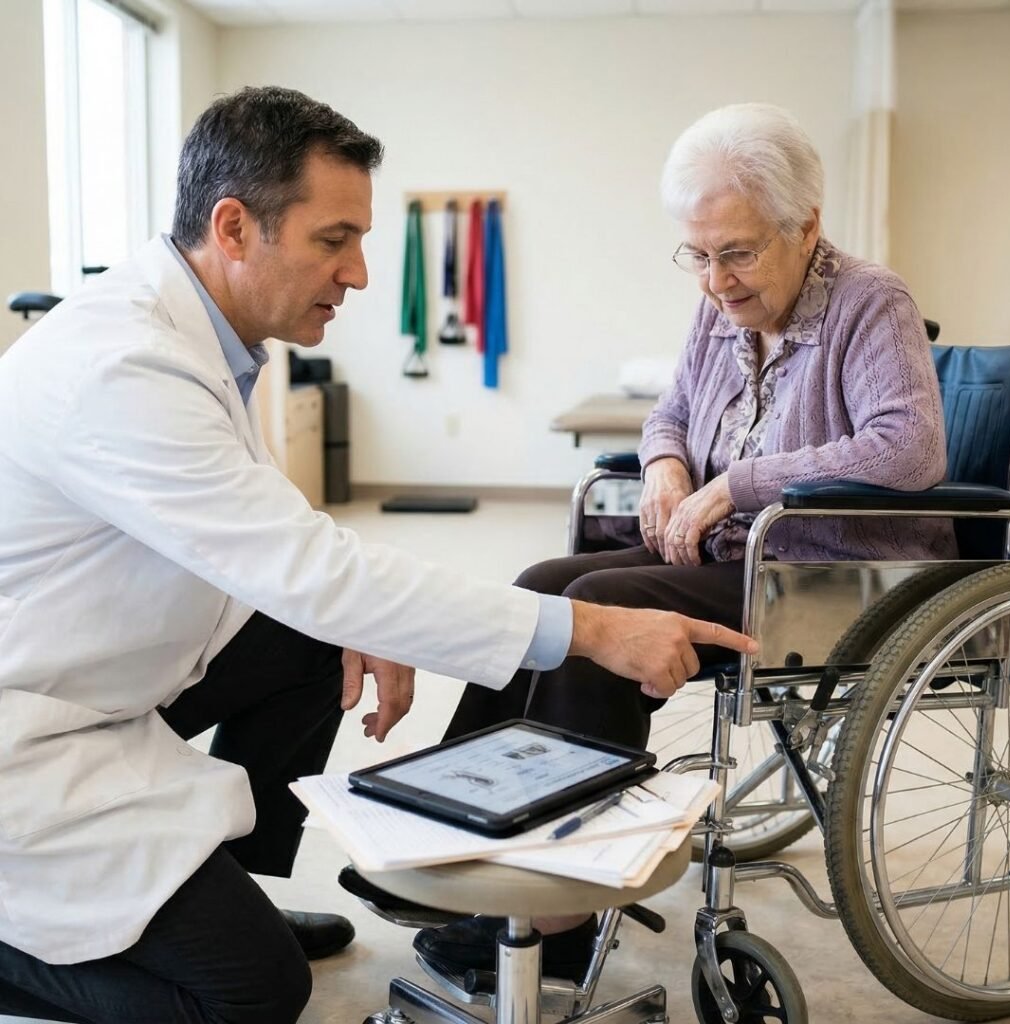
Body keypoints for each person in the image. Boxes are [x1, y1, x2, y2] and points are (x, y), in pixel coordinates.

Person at [0, 87, 757, 1024]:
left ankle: (231, 891)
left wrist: (354, 617)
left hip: (85, 667)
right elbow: (305, 566)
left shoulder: (197, 337)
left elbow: (270, 539)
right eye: (334, 239)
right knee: (252, 994)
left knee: (317, 639)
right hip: (28, 727)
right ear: (234, 227)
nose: (357, 272)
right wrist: (593, 630)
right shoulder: (124, 366)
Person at [412, 101, 957, 981]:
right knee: (539, 585)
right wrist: (667, 466)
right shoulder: (720, 304)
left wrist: (733, 483)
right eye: (697, 254)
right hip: (733, 556)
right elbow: (669, 412)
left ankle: (566, 912)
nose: (715, 280)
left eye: (736, 252)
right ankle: (458, 825)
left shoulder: (869, 301)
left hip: (824, 572)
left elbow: (910, 447)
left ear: (806, 225)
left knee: (597, 610)